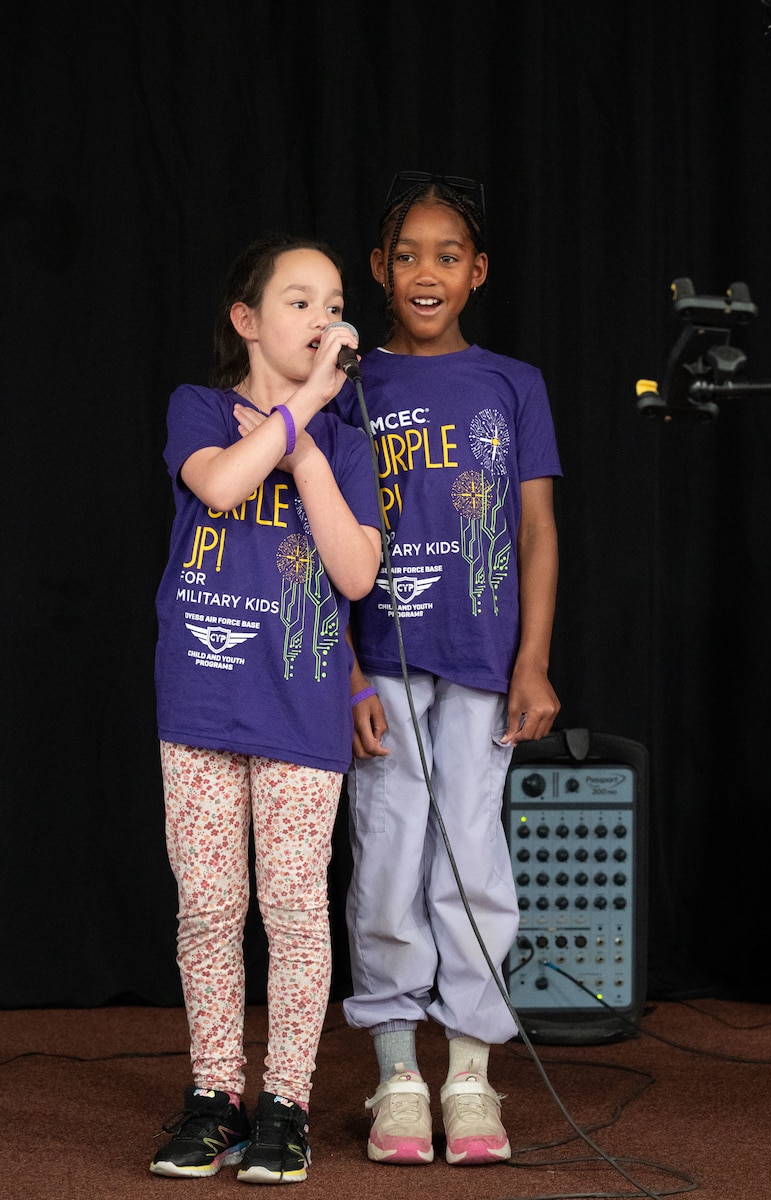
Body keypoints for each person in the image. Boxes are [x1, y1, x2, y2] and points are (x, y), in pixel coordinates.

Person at [330, 173, 562, 1167]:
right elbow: (319, 535)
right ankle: (397, 1076)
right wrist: (345, 673)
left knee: (472, 858)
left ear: (478, 272)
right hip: (381, 661)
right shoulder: (349, 386)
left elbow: (536, 530)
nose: (428, 272)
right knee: (387, 858)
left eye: (449, 255)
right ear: (380, 271)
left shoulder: (513, 383)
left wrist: (533, 661)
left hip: (481, 663)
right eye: (408, 255)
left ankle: (469, 1074)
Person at [150, 234, 382, 1183]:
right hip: (202, 700)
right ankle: (215, 1095)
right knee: (209, 906)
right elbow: (218, 483)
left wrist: (314, 438)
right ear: (247, 320)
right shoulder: (200, 409)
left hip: (299, 709)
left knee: (293, 908)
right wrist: (295, 415)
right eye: (300, 301)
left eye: (335, 304)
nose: (324, 318)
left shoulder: (347, 444)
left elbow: (356, 574)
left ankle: (286, 1102)